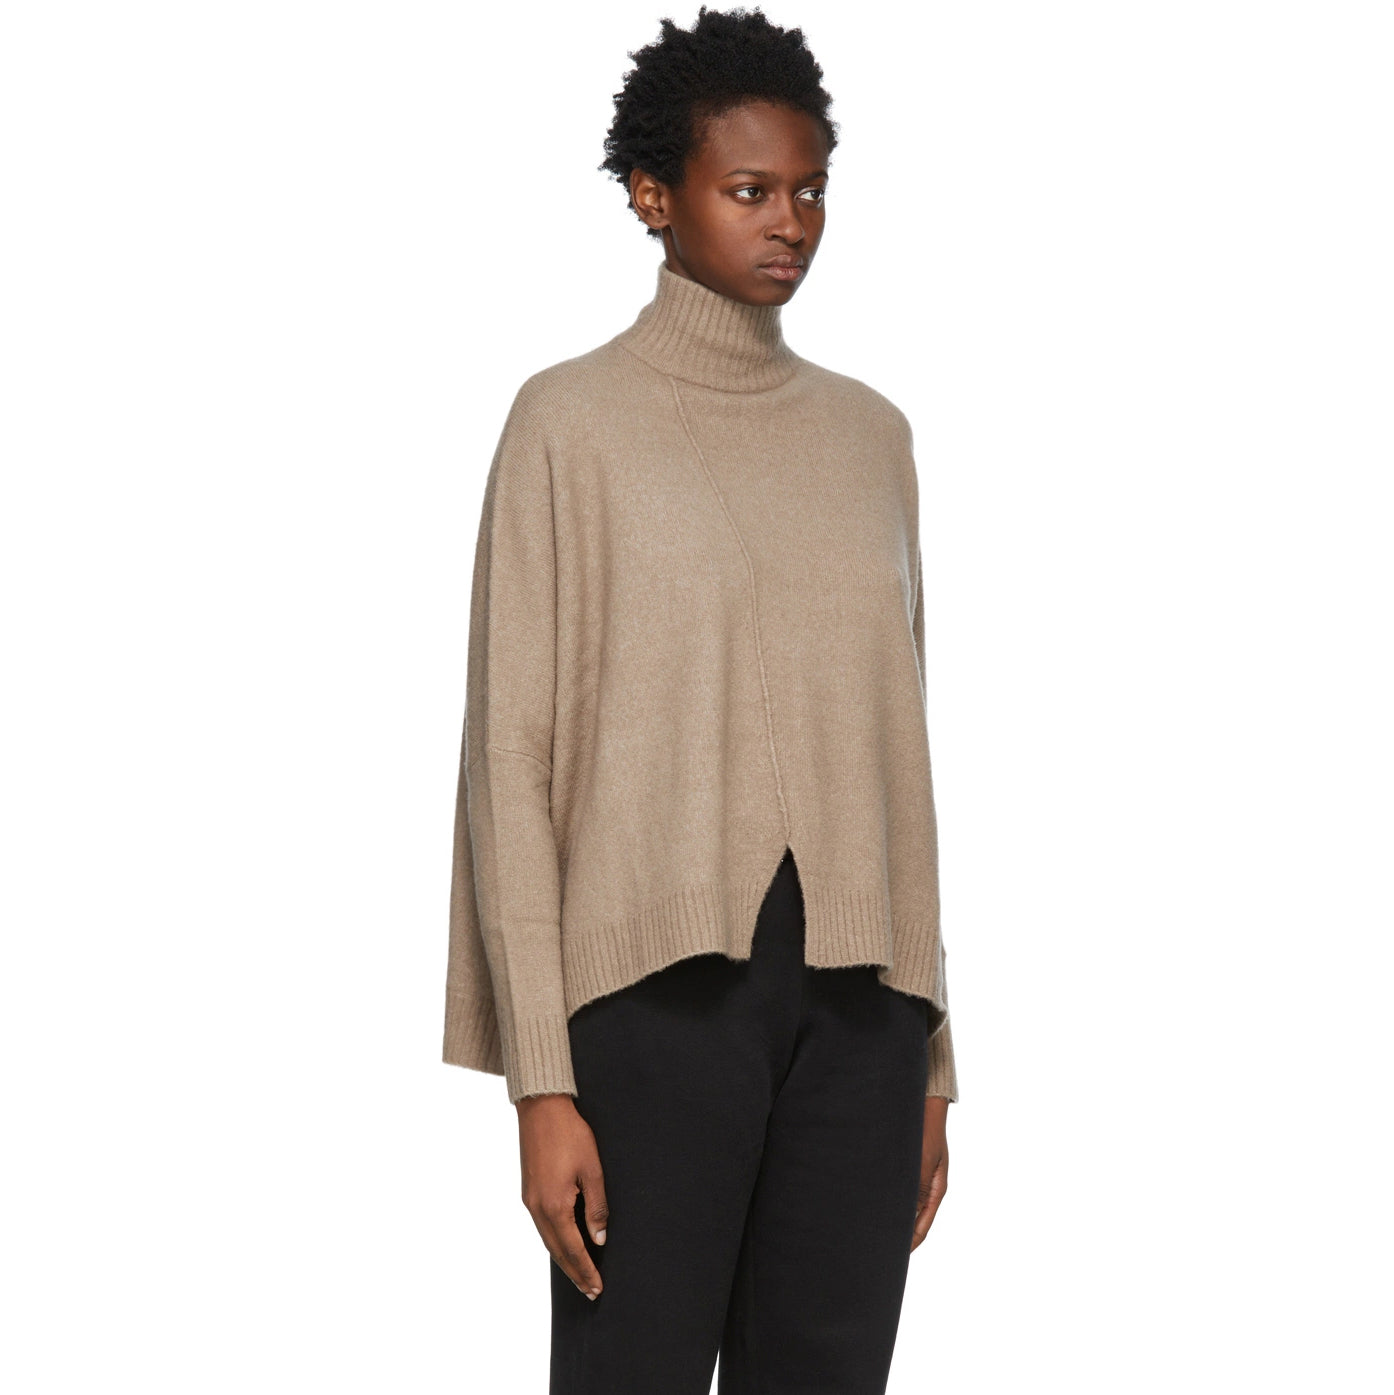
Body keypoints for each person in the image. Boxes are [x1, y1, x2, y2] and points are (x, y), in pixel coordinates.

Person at [441, 7, 958, 1391]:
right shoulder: (569, 423)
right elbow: (512, 756)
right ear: (651, 196)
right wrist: (541, 1082)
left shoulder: (872, 437)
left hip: (864, 1016)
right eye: (749, 190)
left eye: (810, 190)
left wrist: (931, 1057)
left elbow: (900, 751)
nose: (790, 222)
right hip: (653, 1005)